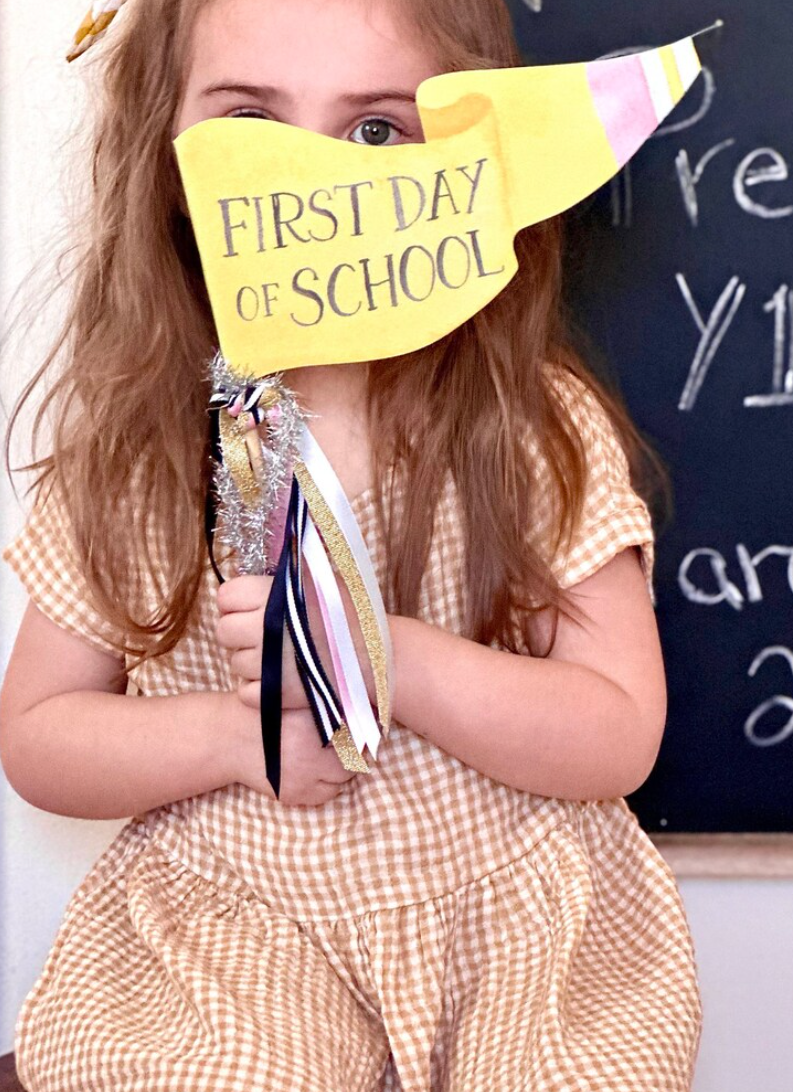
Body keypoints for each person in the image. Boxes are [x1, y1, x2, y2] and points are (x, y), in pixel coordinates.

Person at [0, 0, 703, 1088]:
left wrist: (392, 659)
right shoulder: (143, 450)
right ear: (167, 153)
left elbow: (618, 729)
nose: (312, 187)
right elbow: (40, 733)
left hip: (510, 929)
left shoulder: (527, 427)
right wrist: (232, 739)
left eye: (376, 131)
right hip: (240, 932)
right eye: (251, 124)